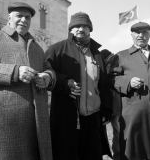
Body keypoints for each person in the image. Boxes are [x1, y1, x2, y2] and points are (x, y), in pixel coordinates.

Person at [0, 2, 56, 160]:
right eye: (19, 16)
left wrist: (47, 77)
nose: (24, 20)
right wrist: (15, 71)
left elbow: (48, 68)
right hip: (7, 125)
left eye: (27, 17)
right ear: (9, 18)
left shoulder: (37, 47)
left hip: (38, 124)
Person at [45, 12, 112, 160]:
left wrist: (106, 109)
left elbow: (104, 84)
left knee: (92, 155)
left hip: (93, 118)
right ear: (70, 29)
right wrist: (64, 83)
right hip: (66, 118)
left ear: (90, 29)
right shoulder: (56, 50)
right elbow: (45, 73)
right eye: (76, 26)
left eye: (84, 25)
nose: (80, 28)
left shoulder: (97, 54)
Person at [109, 22, 150, 160]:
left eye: (144, 32)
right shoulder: (121, 56)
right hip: (133, 116)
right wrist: (128, 82)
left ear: (149, 34)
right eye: (137, 32)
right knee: (132, 153)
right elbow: (111, 79)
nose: (141, 35)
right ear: (131, 35)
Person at [101, 49, 121, 160]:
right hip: (115, 105)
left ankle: (116, 156)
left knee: (113, 133)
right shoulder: (115, 60)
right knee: (116, 132)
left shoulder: (111, 62)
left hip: (112, 105)